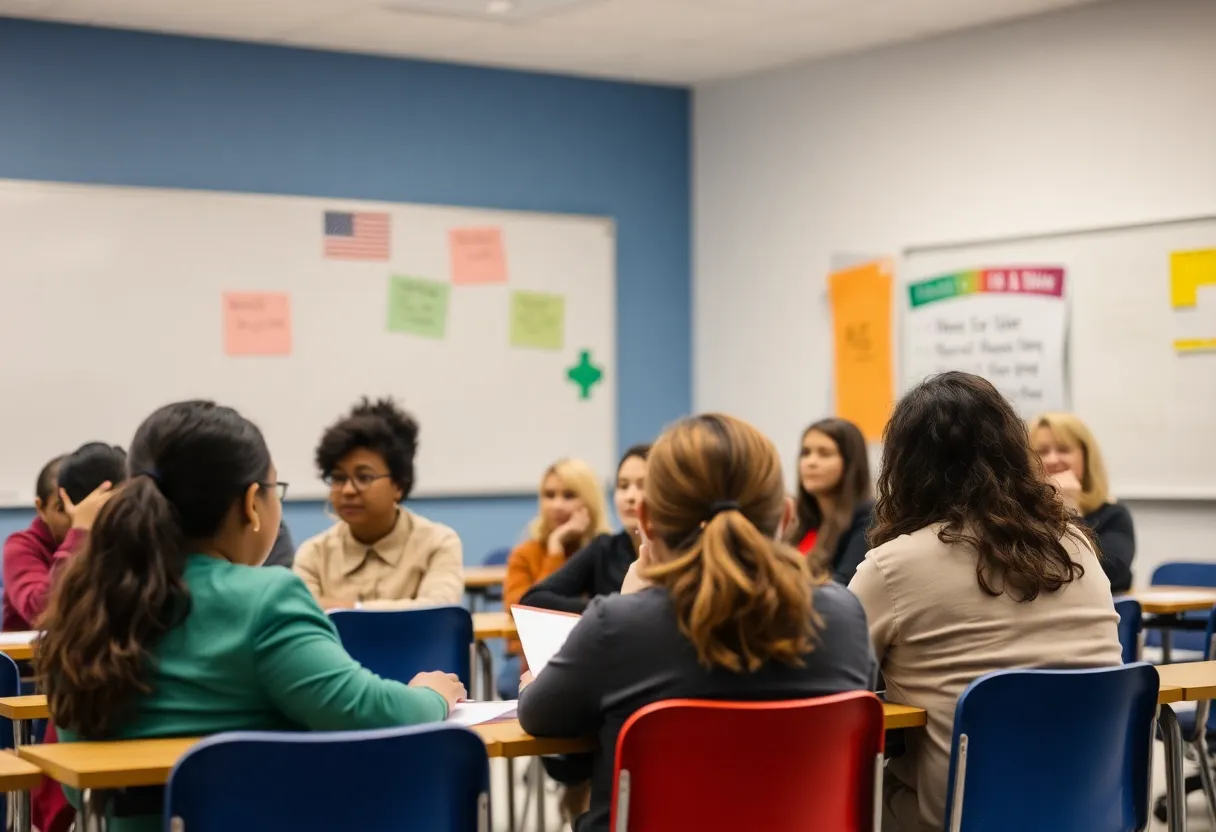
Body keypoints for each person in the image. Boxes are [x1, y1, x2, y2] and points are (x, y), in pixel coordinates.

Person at [37, 400, 465, 832]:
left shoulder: (85, 603)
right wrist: (433, 694)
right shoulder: (266, 600)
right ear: (250, 505)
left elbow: (80, 787)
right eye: (274, 490)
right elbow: (376, 714)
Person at [517, 414, 877, 832]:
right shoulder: (845, 615)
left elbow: (538, 716)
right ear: (786, 517)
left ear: (646, 520)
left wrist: (536, 680)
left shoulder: (617, 624)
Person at [849, 373, 1122, 832]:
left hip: (959, 819)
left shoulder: (891, 567)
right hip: (1090, 808)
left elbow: (837, 685)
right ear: (1016, 453)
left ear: (905, 467)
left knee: (850, 793)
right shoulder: (1077, 547)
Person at [293, 398, 463, 609]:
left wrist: (348, 609)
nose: (347, 490)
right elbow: (303, 618)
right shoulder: (314, 555)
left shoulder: (437, 544)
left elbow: (435, 613)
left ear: (399, 485)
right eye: (338, 478)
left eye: (364, 477)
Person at [3, 444, 124, 632]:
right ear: (40, 508)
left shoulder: (112, 540)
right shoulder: (21, 546)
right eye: (61, 508)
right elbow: (41, 614)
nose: (73, 516)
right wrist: (79, 533)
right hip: (32, 658)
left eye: (85, 508)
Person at [520, 445, 650, 613]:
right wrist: (607, 609)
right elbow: (532, 600)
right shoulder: (604, 548)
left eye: (642, 485)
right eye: (623, 486)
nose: (630, 496)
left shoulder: (682, 552)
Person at [503, 458, 611, 659]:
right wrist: (555, 549)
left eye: (569, 496)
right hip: (531, 653)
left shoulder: (606, 551)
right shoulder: (525, 553)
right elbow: (521, 610)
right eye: (549, 495)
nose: (557, 505)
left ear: (589, 501)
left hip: (593, 651)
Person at [1030, 412, 1135, 593]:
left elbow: (1111, 573)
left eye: (1063, 450)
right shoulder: (1018, 513)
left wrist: (1069, 511)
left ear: (1086, 456)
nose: (1052, 460)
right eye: (1042, 452)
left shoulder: (1112, 514)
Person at [786, 418, 874, 584]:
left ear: (850, 464)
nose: (811, 462)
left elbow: (843, 586)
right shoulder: (801, 523)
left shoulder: (867, 518)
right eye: (805, 453)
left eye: (824, 453)